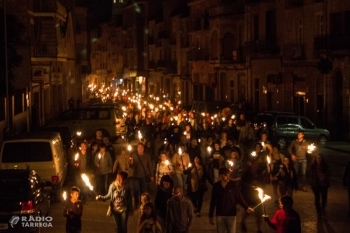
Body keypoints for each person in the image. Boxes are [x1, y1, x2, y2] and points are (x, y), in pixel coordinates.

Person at [209, 167, 254, 233]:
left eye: (228, 175)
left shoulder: (233, 185)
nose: (228, 177)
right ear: (220, 176)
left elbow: (239, 198)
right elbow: (213, 201)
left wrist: (247, 207)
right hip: (220, 214)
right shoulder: (216, 186)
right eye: (225, 175)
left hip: (231, 215)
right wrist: (210, 215)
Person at [131, 143, 154, 208]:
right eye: (139, 147)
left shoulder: (147, 156)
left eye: (141, 147)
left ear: (143, 148)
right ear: (137, 148)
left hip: (143, 176)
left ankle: (144, 203)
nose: (140, 149)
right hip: (136, 176)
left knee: (143, 191)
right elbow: (131, 166)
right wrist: (131, 162)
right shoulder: (134, 155)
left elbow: (150, 166)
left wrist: (152, 175)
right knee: (136, 190)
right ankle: (136, 204)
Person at [308, 153, 331, 217]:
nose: (318, 159)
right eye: (317, 158)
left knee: (324, 197)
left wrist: (325, 177)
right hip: (316, 184)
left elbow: (329, 172)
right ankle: (319, 211)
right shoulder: (312, 166)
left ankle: (323, 209)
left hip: (324, 184)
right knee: (317, 198)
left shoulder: (325, 165)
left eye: (320, 158)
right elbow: (309, 173)